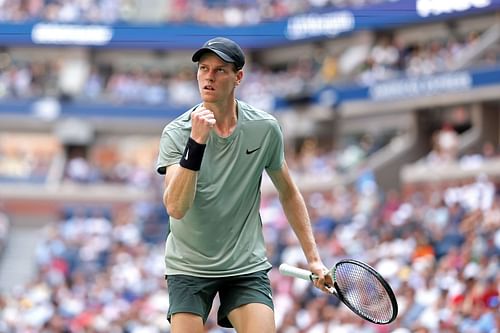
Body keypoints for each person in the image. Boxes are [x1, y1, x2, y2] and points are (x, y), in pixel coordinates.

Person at [156, 36, 332, 333]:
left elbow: (289, 193)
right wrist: (196, 143)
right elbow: (175, 206)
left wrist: (313, 259)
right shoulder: (177, 132)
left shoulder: (264, 128)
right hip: (188, 266)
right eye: (203, 68)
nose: (208, 77)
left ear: (238, 77)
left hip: (244, 265)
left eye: (220, 70)